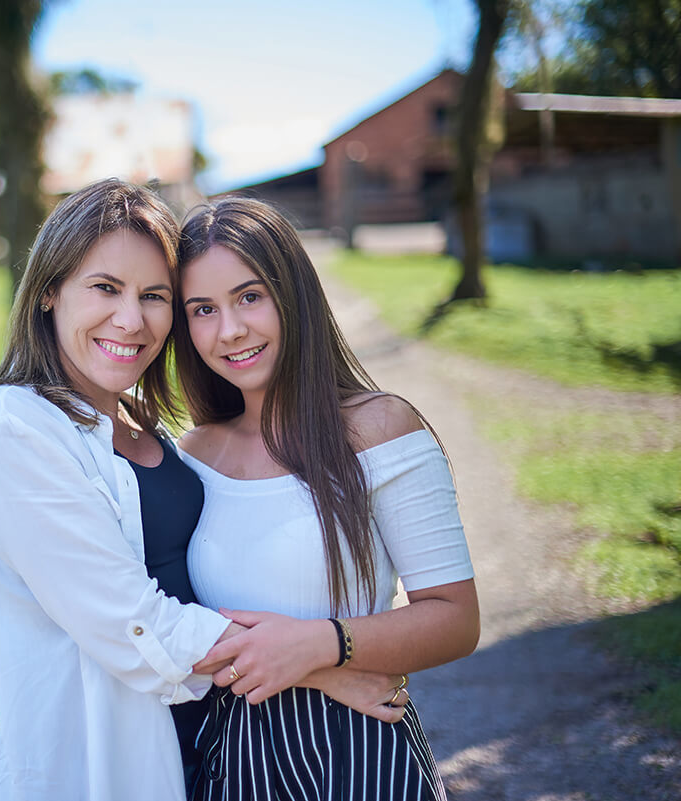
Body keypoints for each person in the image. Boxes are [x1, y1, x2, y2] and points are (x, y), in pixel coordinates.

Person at [0, 179, 410, 801]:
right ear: (49, 292)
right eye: (105, 288)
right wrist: (320, 670)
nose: (131, 319)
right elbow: (129, 622)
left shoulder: (141, 420)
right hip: (99, 766)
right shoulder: (12, 426)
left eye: (155, 296)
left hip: (216, 753)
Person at [175, 196, 480, 800]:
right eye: (203, 309)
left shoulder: (380, 429)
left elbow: (455, 618)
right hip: (232, 759)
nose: (230, 329)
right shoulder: (191, 456)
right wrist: (321, 674)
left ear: (293, 296)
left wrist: (322, 645)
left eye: (249, 297)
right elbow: (159, 622)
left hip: (356, 752)